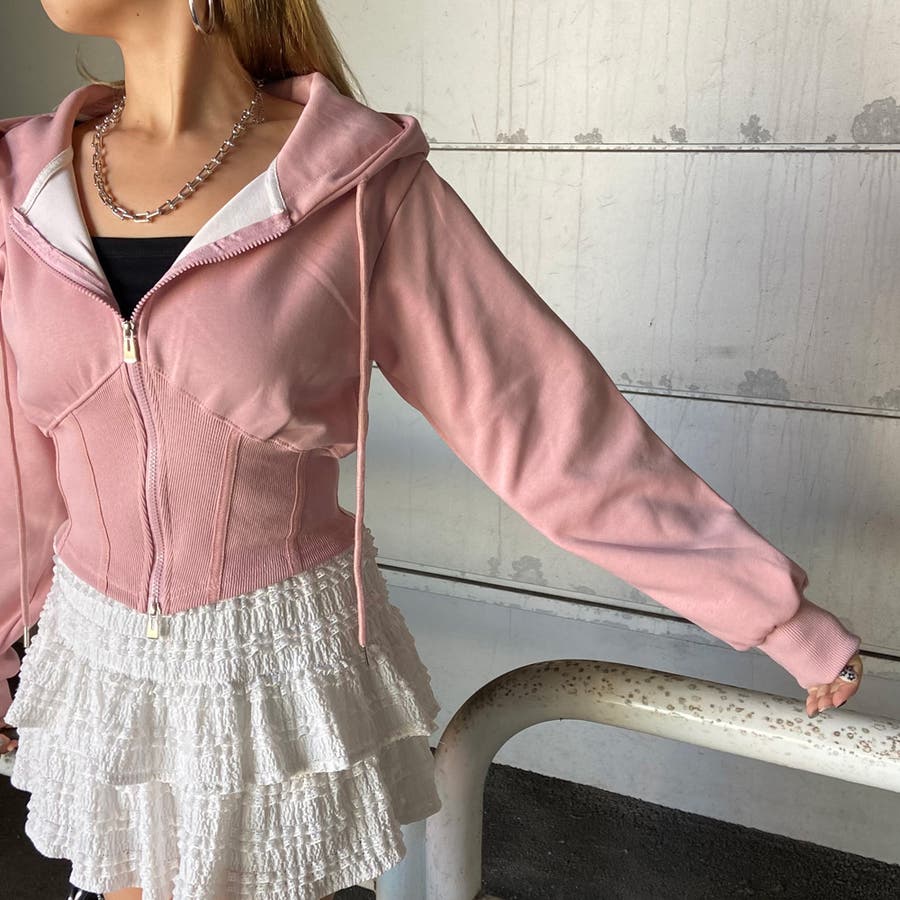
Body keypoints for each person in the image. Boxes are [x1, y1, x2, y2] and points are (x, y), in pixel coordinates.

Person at [0, 0, 864, 898]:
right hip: (99, 661)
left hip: (270, 670)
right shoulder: (22, 190)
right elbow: (15, 469)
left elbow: (542, 426)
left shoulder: (358, 187)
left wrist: (776, 615)